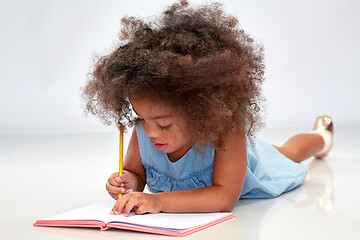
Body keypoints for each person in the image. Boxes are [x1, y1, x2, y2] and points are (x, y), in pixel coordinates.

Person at [82, 0, 334, 216]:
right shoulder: (146, 129)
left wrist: (158, 201)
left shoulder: (227, 133)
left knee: (288, 152)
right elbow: (135, 173)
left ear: (201, 110)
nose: (150, 132)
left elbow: (224, 198)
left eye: (164, 124)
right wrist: (128, 182)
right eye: (141, 118)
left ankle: (321, 137)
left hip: (254, 164)